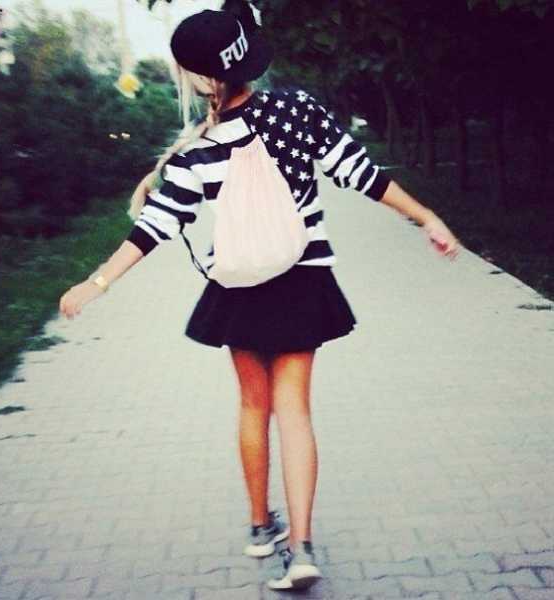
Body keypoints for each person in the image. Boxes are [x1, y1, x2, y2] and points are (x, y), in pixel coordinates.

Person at [59, 7, 460, 592]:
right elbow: (362, 174)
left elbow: (155, 226)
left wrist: (95, 284)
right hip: (303, 280)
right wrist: (427, 217)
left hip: (239, 289)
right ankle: (301, 548)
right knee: (294, 410)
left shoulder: (198, 148)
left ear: (199, 79)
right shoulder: (297, 110)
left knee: (253, 406)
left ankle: (258, 526)